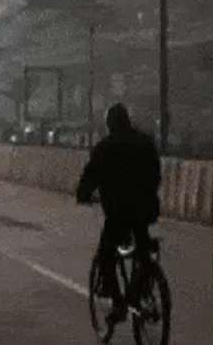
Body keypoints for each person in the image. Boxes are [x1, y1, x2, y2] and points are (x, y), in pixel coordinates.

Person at [76, 103, 161, 327]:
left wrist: (84, 195)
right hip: (146, 210)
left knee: (106, 255)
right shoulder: (145, 143)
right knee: (142, 247)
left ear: (110, 124)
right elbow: (156, 174)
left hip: (118, 213)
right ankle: (143, 285)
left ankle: (118, 303)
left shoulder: (104, 147)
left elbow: (89, 178)